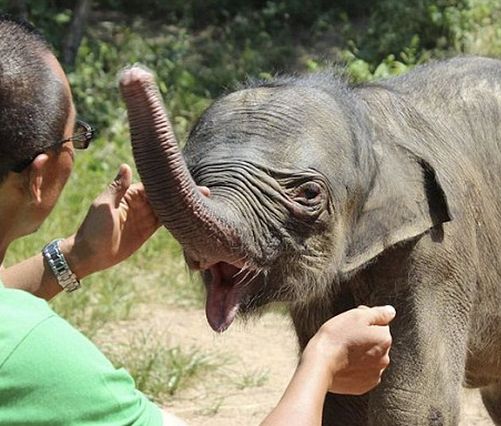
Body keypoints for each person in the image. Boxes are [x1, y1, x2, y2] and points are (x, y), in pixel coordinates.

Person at [0, 15, 394, 425]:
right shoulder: (41, 359)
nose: (77, 147)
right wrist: (321, 360)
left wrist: (74, 257)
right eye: (76, 137)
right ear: (41, 177)